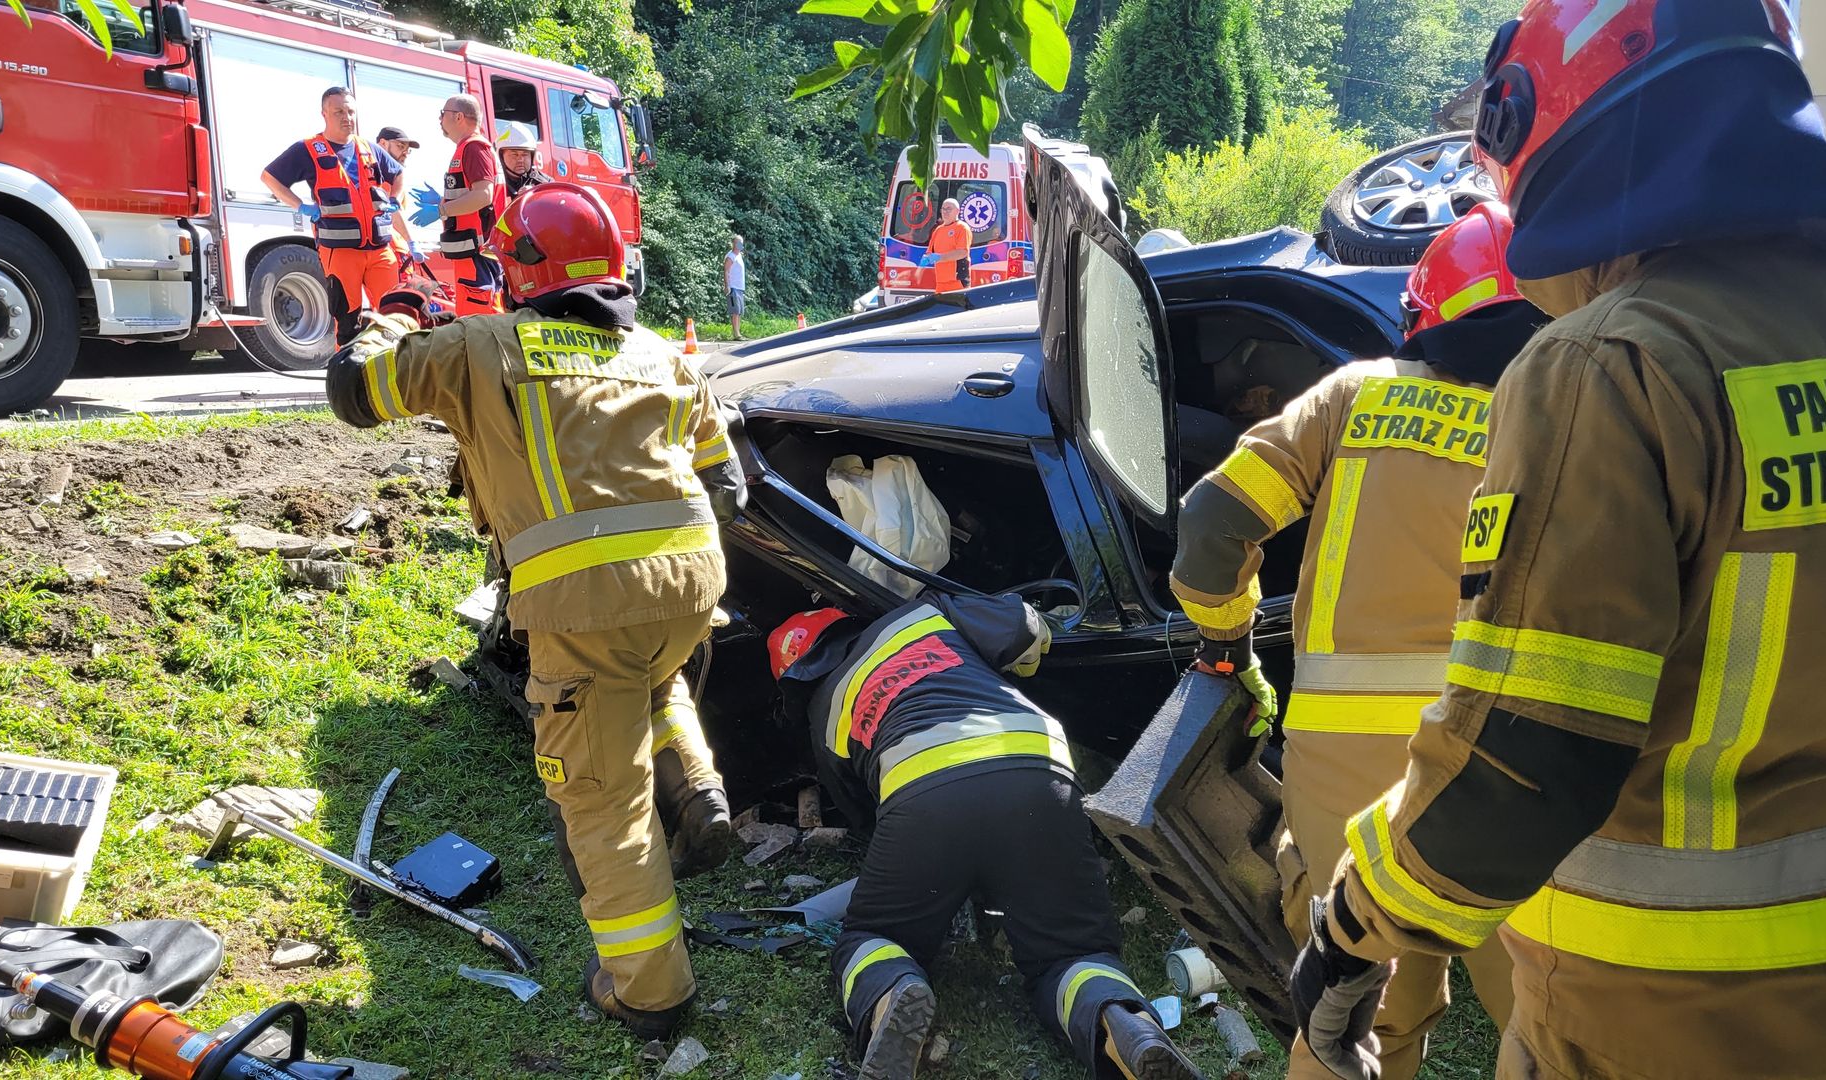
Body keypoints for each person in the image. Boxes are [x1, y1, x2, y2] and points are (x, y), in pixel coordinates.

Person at [1289, 5, 1826, 1080]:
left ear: (1552, 134)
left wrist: (1350, 926)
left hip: (1653, 1019)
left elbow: (1524, 764)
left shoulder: (1611, 367)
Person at [325, 182, 744, 1039]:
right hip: (692, 588)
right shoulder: (662, 354)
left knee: (602, 800)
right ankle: (698, 788)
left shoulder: (476, 346)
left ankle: (651, 993)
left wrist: (395, 313)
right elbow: (726, 481)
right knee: (648, 674)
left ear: (520, 268)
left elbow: (353, 391)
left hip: (586, 607)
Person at [1172, 203, 1542, 1080]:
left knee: (1354, 1011)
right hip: (1499, 761)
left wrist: (1230, 645)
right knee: (1550, 1020)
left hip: (1342, 769)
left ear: (1423, 311)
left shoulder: (1354, 394)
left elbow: (1214, 522)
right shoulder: (1559, 419)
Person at [768, 595, 1202, 1080]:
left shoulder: (824, 710)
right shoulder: (920, 615)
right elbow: (1020, 626)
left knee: (874, 935)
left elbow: (866, 819)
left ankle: (893, 991)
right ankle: (1126, 1026)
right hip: (1040, 768)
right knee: (1072, 951)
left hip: (925, 791)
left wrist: (950, 868)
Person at [260, 87, 404, 344]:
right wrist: (301, 206)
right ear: (324, 114)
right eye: (339, 111)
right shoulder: (308, 149)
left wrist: (393, 199)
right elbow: (269, 177)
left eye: (350, 111)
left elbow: (398, 173)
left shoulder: (369, 148)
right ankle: (349, 379)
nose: (346, 117)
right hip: (340, 251)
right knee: (348, 320)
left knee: (395, 315)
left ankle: (397, 372)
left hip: (380, 250)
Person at [411, 94, 504, 315]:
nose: (440, 120)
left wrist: (440, 210)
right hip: (473, 253)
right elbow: (474, 195)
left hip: (477, 254)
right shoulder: (470, 148)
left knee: (479, 324)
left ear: (459, 117)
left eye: (443, 114)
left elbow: (483, 196)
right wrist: (443, 200)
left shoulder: (473, 148)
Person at [374, 125, 422, 269]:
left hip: (395, 251)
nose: (405, 153)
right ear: (382, 143)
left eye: (408, 150)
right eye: (400, 146)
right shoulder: (380, 175)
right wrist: (411, 242)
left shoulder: (392, 176)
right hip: (391, 253)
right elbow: (392, 211)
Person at [919, 198, 971, 293]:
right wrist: (925, 259)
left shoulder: (962, 228)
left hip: (957, 280)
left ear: (957, 211)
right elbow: (929, 252)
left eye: (949, 209)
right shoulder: (938, 230)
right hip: (940, 282)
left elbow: (962, 252)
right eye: (943, 209)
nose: (945, 212)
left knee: (959, 307)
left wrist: (940, 257)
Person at [494, 120, 551, 199]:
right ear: (501, 157)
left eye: (525, 154)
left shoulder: (545, 182)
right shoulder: (494, 185)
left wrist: (538, 193)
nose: (520, 159)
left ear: (532, 156)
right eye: (514, 154)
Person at [723, 235, 745, 340]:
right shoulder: (730, 256)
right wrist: (727, 286)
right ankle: (736, 334)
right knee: (735, 311)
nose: (740, 245)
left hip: (740, 287)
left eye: (741, 242)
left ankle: (738, 332)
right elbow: (726, 271)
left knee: (739, 311)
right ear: (734, 244)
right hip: (733, 287)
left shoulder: (739, 255)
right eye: (738, 243)